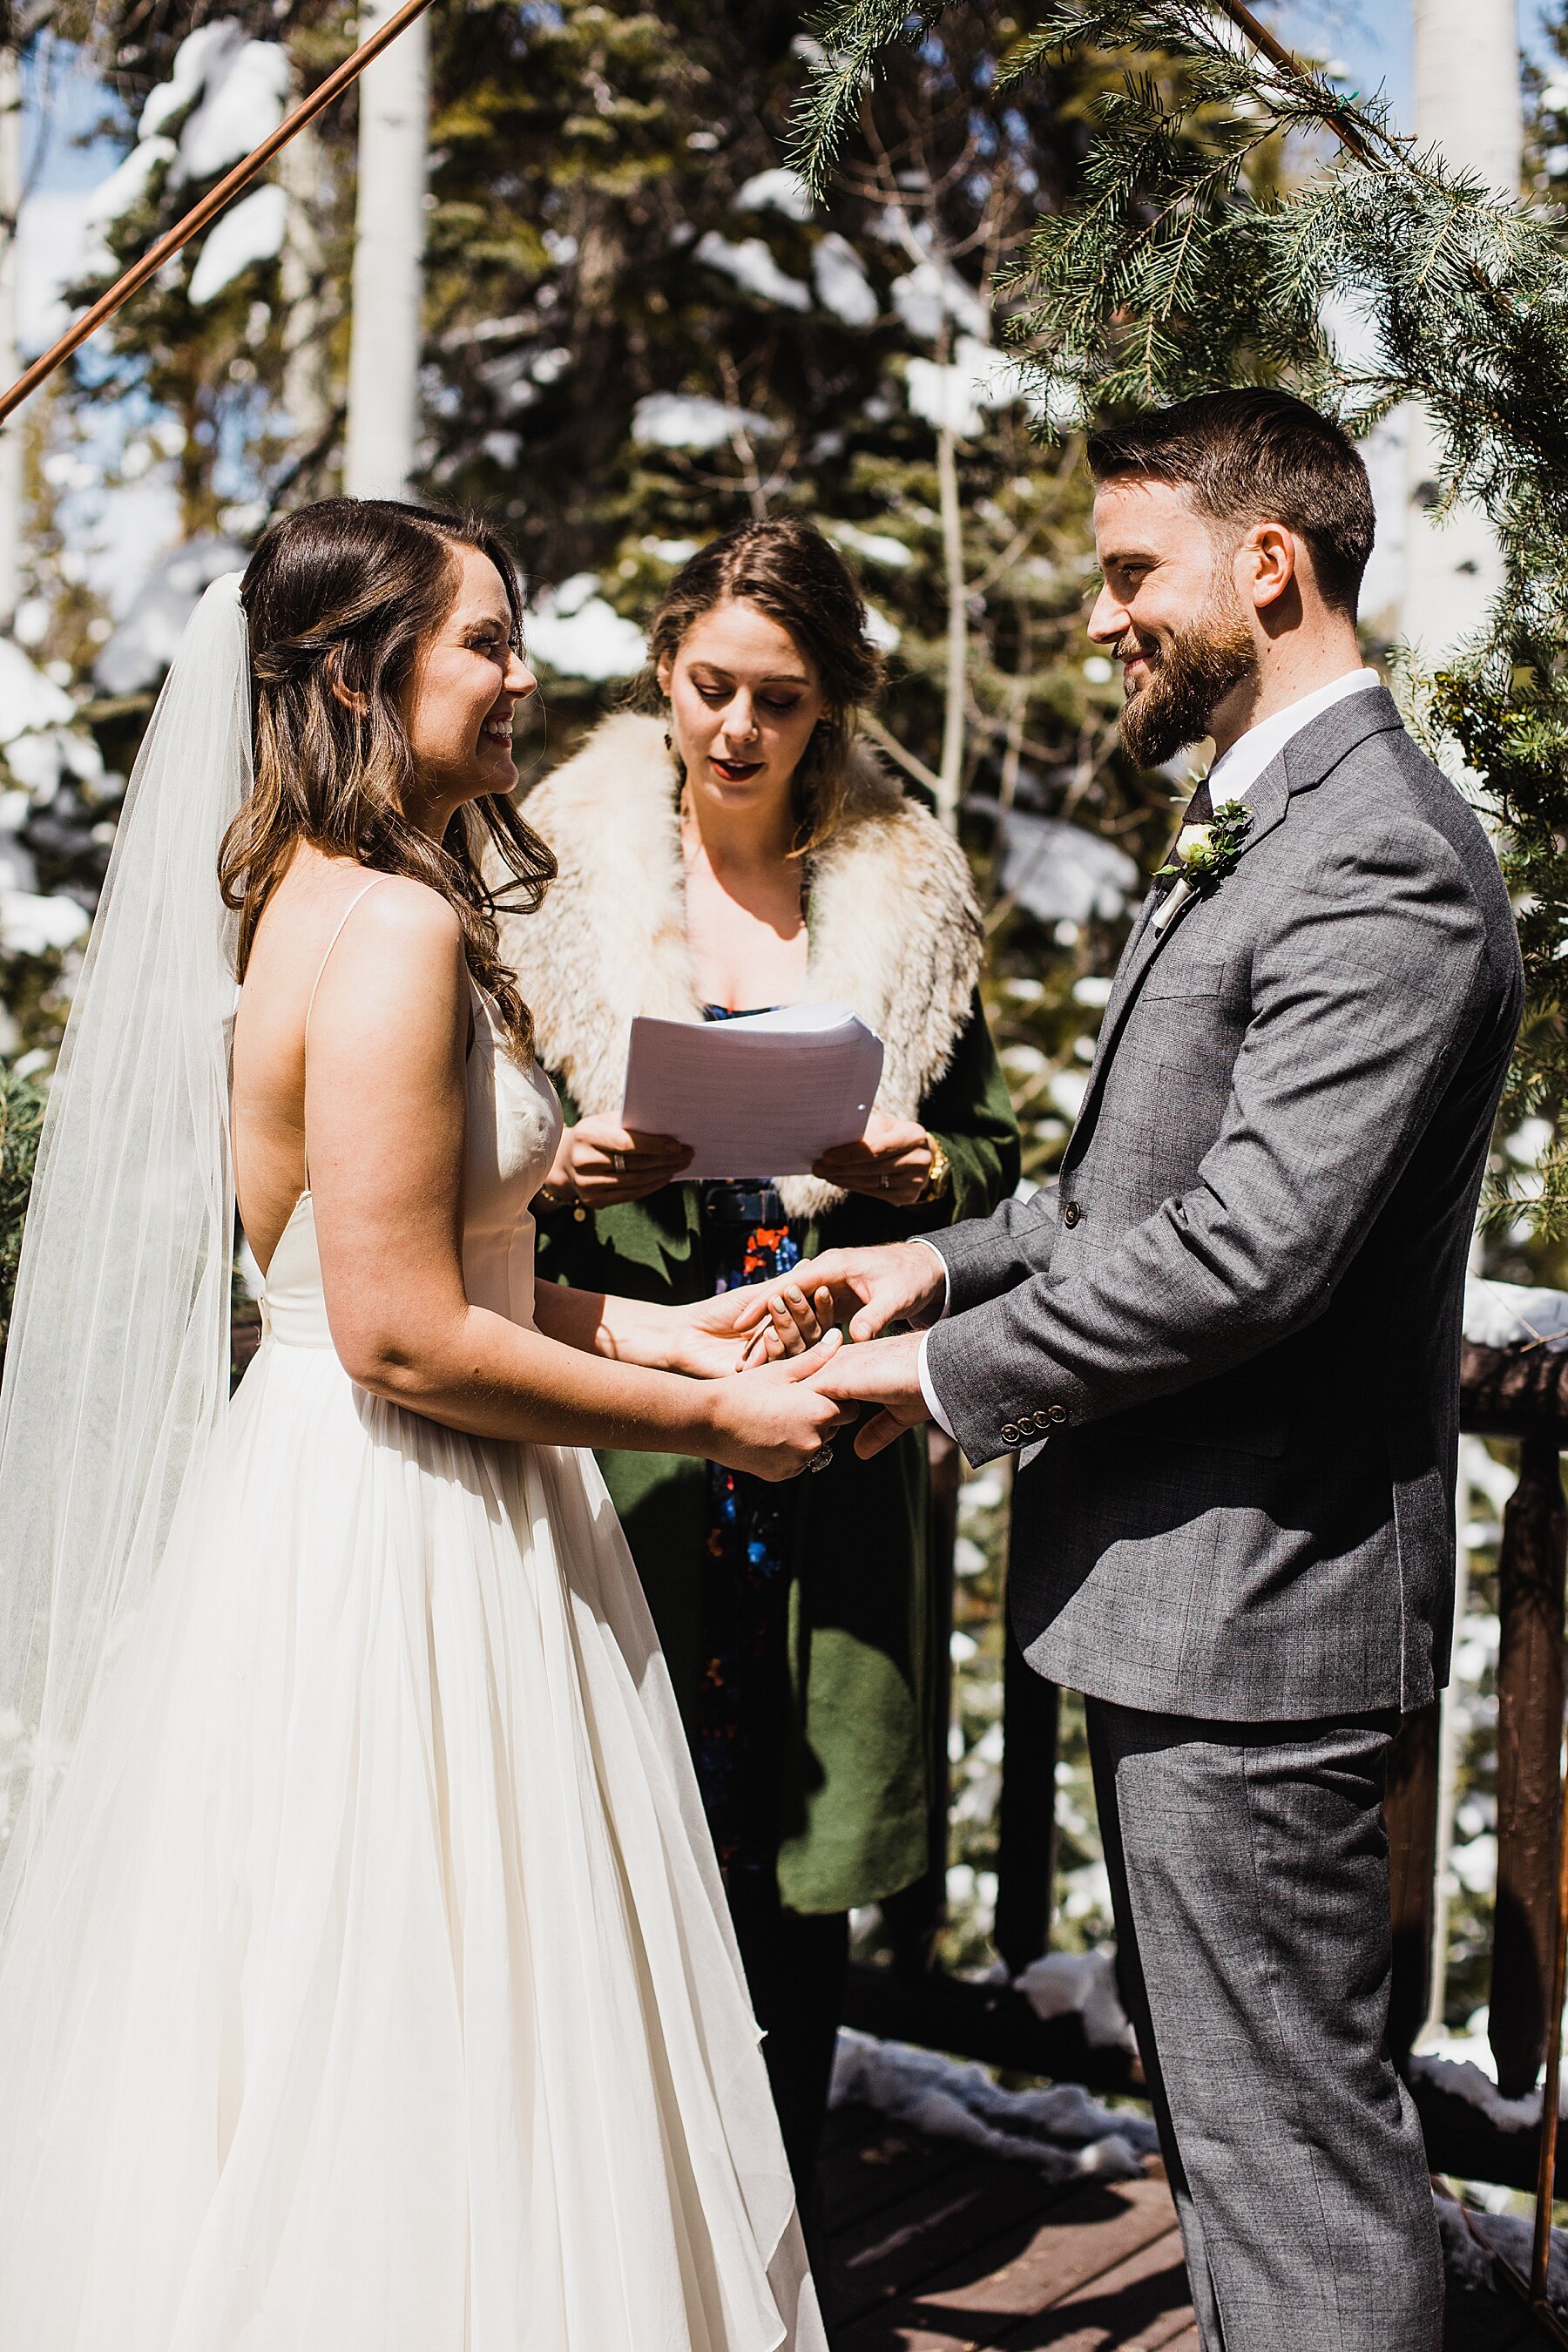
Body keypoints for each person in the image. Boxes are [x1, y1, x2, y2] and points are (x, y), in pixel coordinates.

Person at [0, 498, 847, 2349]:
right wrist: (715, 1436)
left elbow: (429, 1272)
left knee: (375, 2009)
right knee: (429, 2022)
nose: (527, 674)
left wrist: (686, 1333)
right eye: (486, 642)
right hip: (407, 1525)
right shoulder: (384, 930)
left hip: (351, 1495)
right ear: (359, 679)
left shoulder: (313, 898)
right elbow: (396, 1336)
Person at [738, 392, 1524, 2350]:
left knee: (1297, 2176)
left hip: (1267, 1620)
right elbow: (1118, 1191)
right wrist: (922, 1262)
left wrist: (935, 1388)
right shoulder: (1271, 822)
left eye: (1128, 572)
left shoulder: (1384, 864)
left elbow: (1254, 1252)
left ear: (1270, 565)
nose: (1103, 618)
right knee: (1243, 2149)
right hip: (1182, 1616)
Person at [498, 517, 1018, 2207]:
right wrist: (563, 1168)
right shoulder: (545, 879)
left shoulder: (908, 900)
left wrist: (928, 1178)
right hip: (626, 1400)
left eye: (777, 702)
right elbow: (456, 1148)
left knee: (792, 1863)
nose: (735, 728)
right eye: (710, 686)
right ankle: (608, 2239)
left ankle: (775, 2234)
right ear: (662, 671)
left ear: (831, 710)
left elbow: (1002, 1150)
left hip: (822, 1403)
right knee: (604, 1829)